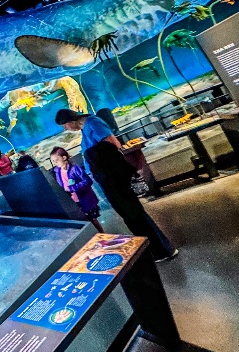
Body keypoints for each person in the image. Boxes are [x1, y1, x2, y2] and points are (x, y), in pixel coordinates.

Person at [55, 108, 178, 262]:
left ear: (71, 120)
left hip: (114, 179)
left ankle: (162, 249)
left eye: (65, 125)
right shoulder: (85, 129)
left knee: (134, 213)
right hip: (108, 180)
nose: (66, 129)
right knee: (129, 215)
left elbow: (113, 145)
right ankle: (152, 248)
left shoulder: (93, 123)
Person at [50, 146, 104, 233]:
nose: (55, 163)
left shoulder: (75, 168)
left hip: (84, 201)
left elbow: (88, 181)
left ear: (64, 157)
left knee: (93, 220)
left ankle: (102, 234)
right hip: (73, 202)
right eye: (53, 161)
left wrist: (73, 188)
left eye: (56, 160)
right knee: (84, 222)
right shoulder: (57, 172)